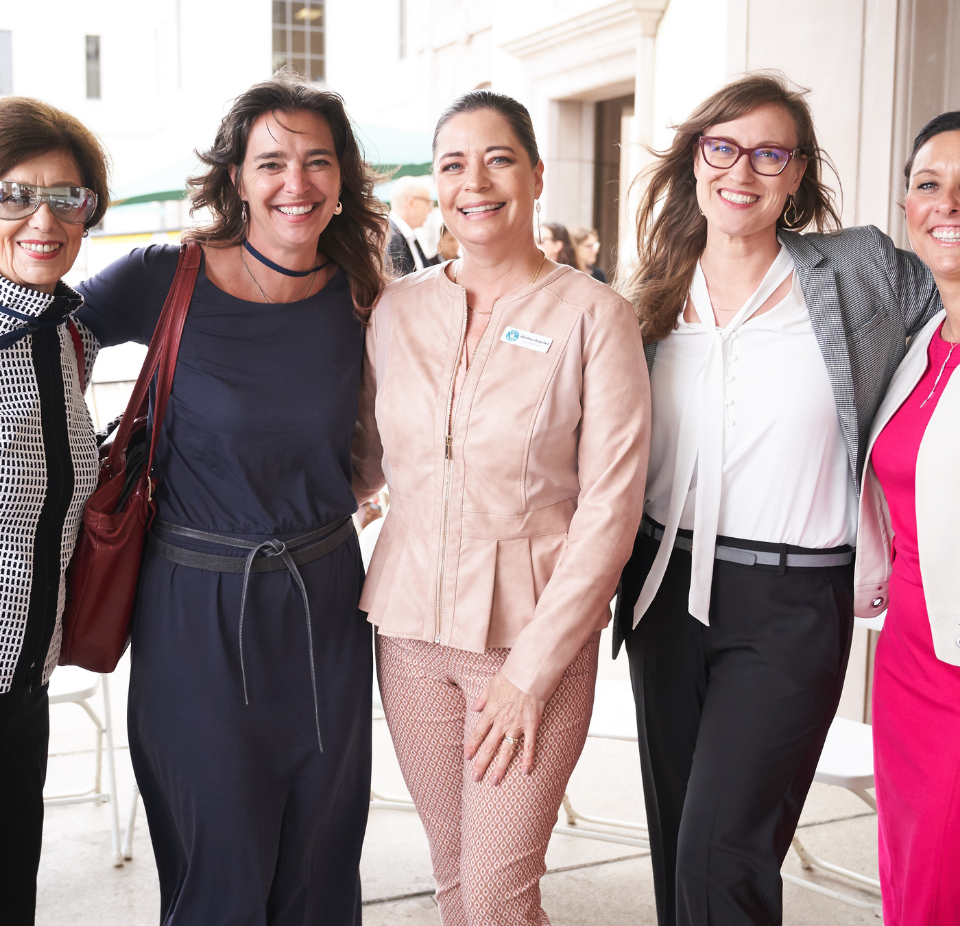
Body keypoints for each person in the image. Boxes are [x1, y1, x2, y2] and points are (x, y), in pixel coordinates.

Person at [615, 72, 939, 926]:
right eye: (723, 147)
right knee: (679, 838)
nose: (743, 171)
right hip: (661, 588)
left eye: (770, 153)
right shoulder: (650, 291)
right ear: (694, 160)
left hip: (792, 601)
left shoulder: (861, 270)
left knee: (724, 852)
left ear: (797, 174)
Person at [74, 72, 386, 926]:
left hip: (323, 600)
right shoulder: (164, 277)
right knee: (218, 860)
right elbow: (34, 335)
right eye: (272, 161)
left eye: (317, 162)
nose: (297, 183)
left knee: (320, 861)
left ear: (342, 177)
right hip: (191, 603)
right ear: (237, 177)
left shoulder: (366, 295)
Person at [352, 89, 650, 926]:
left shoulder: (596, 315)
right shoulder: (397, 310)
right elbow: (364, 463)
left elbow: (611, 508)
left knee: (495, 900)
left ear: (537, 174)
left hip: (529, 644)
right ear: (436, 184)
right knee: (453, 878)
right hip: (407, 636)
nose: (474, 182)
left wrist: (530, 674)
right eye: (453, 164)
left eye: (498, 158)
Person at [0, 96, 106, 926]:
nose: (43, 218)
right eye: (13, 193)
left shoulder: (66, 337)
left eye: (67, 197)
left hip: (22, 681)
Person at [854, 111, 960, 925]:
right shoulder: (923, 339)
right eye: (928, 184)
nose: (946, 203)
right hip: (909, 658)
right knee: (912, 877)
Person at [386, 174, 435, 274]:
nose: (430, 210)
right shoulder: (389, 238)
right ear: (411, 202)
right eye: (428, 203)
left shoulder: (404, 235)